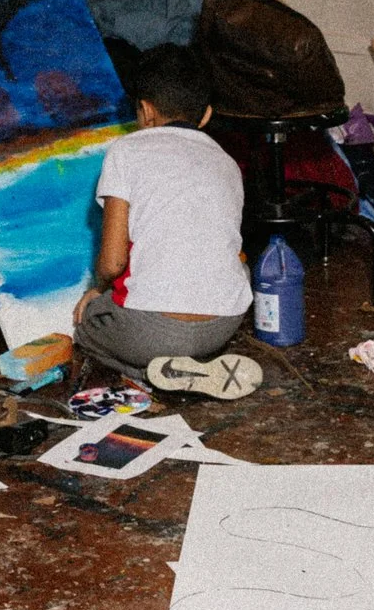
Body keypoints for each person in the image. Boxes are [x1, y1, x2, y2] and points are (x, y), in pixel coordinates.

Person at [71, 45, 261, 401]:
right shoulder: (227, 162)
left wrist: (98, 295)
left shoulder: (126, 151)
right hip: (221, 327)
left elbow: (112, 263)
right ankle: (193, 365)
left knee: (86, 325)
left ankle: (151, 374)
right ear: (205, 115)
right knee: (238, 265)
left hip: (150, 333)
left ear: (145, 111)